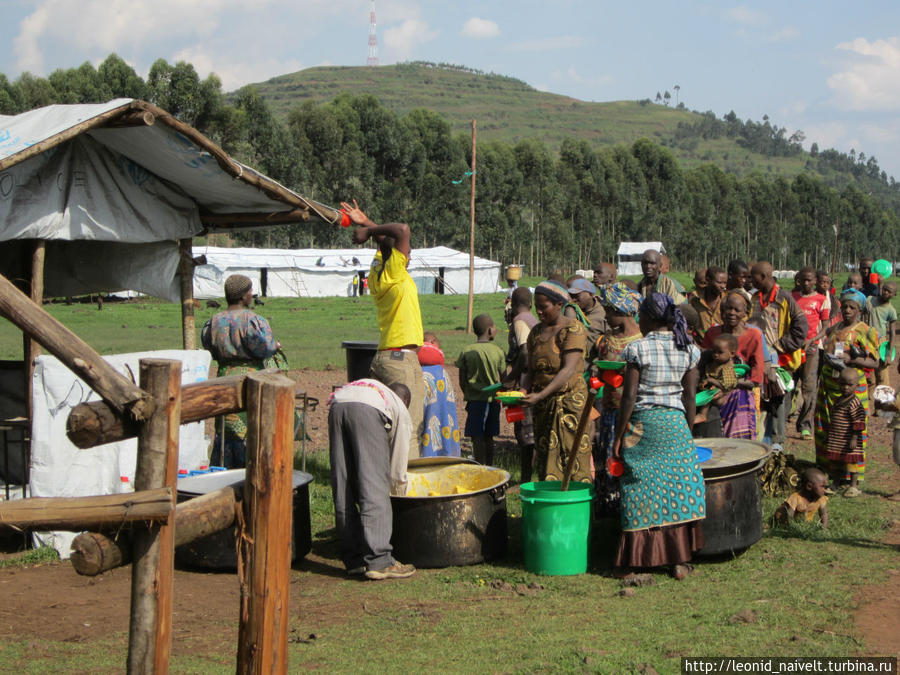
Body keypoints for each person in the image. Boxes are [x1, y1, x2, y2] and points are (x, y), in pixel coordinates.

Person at [611, 292, 705, 580]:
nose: (638, 318)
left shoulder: (638, 349)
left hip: (644, 424)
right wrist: (687, 431)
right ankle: (678, 560)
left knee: (640, 487)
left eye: (641, 314)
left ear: (650, 318)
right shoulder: (688, 349)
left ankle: (637, 561)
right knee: (677, 488)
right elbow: (690, 397)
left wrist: (618, 435)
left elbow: (629, 397)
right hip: (675, 423)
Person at [343, 199, 425, 459]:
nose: (409, 254)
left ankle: (378, 482)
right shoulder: (395, 273)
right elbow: (401, 229)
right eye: (407, 251)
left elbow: (389, 242)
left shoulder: (380, 271)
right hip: (402, 359)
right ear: (397, 257)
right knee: (408, 428)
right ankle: (405, 491)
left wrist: (367, 223)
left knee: (387, 429)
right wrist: (368, 231)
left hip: (387, 357)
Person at [328, 379, 416, 580]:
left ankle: (354, 560)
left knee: (344, 486)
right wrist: (399, 489)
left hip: (337, 406)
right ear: (405, 400)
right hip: (365, 411)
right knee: (375, 486)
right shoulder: (400, 409)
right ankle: (380, 561)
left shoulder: (375, 389)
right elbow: (398, 463)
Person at [201, 274, 281, 468]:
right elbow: (265, 347)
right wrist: (275, 346)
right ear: (244, 295)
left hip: (223, 379)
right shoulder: (253, 320)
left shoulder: (214, 321)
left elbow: (207, 345)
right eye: (250, 291)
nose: (252, 295)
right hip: (249, 381)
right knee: (250, 430)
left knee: (224, 429)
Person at [518, 280, 591, 483]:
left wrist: (541, 394)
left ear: (559, 305)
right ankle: (551, 507)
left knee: (573, 455)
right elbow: (530, 369)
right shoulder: (536, 333)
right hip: (544, 408)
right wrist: (523, 390)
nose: (539, 313)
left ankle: (577, 507)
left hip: (570, 404)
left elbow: (568, 370)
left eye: (544, 307)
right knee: (547, 457)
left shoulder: (573, 329)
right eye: (537, 308)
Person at [815, 289, 878, 497]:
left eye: (852, 307)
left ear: (860, 310)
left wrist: (853, 360)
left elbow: (875, 362)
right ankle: (833, 476)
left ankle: (853, 480)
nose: (848, 311)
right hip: (829, 389)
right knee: (830, 432)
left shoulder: (866, 331)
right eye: (845, 307)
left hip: (853, 391)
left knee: (853, 433)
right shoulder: (834, 328)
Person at [592, 282, 643, 516]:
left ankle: (631, 509)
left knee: (629, 461)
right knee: (608, 461)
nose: (606, 316)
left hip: (634, 412)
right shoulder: (606, 341)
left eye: (610, 311)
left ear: (622, 312)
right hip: (610, 410)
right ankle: (609, 511)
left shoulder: (642, 341)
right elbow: (599, 370)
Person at [749, 261, 808, 450]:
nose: (751, 280)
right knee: (761, 397)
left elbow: (801, 327)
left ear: (764, 277)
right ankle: (762, 440)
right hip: (758, 358)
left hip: (781, 359)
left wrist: (780, 346)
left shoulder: (785, 298)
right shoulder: (754, 298)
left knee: (778, 399)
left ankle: (777, 441)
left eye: (754, 277)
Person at [702, 292, 765, 439]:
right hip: (712, 392)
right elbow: (704, 361)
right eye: (728, 309)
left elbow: (756, 377)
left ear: (745, 312)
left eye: (737, 310)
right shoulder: (712, 333)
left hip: (741, 391)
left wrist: (729, 383)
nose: (732, 313)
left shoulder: (754, 335)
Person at [456, 314, 506, 465]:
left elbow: (462, 379)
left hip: (474, 401)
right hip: (492, 401)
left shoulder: (466, 351)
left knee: (476, 437)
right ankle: (490, 467)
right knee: (489, 436)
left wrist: (469, 392)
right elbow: (504, 378)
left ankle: (479, 465)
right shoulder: (498, 351)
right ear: (490, 330)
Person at [791, 267, 830, 439]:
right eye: (803, 280)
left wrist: (812, 341)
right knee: (788, 385)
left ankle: (805, 425)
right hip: (792, 348)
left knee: (809, 387)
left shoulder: (822, 300)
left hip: (812, 348)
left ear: (815, 281)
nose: (806, 283)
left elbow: (825, 326)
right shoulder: (793, 297)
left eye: (809, 280)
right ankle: (782, 423)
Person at [505, 287, 538, 483]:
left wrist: (512, 377)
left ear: (513, 303)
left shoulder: (519, 322)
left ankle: (525, 480)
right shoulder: (533, 319)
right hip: (532, 382)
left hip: (523, 385)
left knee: (525, 433)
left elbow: (525, 353)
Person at [418, 332, 460, 457]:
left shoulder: (417, 372)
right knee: (443, 419)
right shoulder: (443, 373)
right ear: (433, 342)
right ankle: (444, 452)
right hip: (441, 420)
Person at [865, 281, 897, 387]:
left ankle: (882, 402)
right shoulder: (870, 300)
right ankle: (867, 398)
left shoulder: (891, 310)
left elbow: (892, 333)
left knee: (882, 376)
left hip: (880, 342)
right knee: (867, 374)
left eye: (889, 291)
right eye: (885, 289)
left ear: (894, 295)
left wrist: (888, 354)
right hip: (865, 339)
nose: (886, 292)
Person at [568, 277, 608, 359]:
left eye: (577, 295)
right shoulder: (571, 312)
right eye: (571, 296)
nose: (573, 299)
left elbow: (609, 344)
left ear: (590, 294)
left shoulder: (603, 314)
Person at [688, 266, 727, 340]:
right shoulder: (695, 301)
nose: (723, 286)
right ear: (708, 280)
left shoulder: (728, 300)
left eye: (725, 283)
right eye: (719, 282)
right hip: (701, 345)